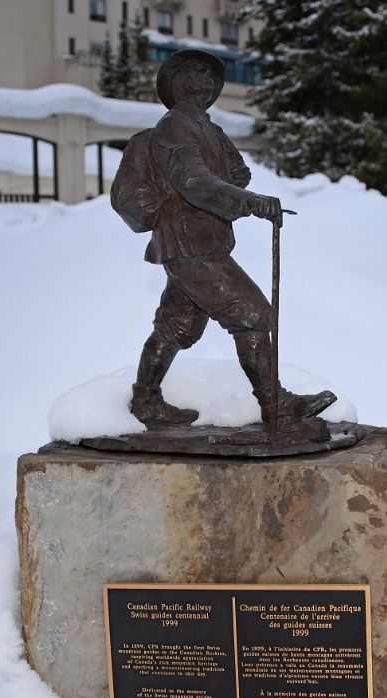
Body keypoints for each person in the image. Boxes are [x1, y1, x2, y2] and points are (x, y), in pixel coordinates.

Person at [118, 50, 335, 430]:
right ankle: (274, 403)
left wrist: (231, 186)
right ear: (178, 83)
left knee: (176, 326)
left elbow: (237, 171)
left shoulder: (207, 129)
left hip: (200, 240)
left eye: (210, 74)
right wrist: (247, 202)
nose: (207, 79)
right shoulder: (176, 126)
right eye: (197, 72)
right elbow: (194, 181)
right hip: (189, 243)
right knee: (253, 315)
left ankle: (146, 400)